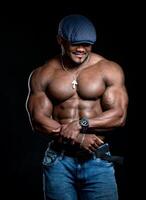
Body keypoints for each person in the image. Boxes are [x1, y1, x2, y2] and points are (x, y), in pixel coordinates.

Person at [26, 14, 128, 200]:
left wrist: (81, 123)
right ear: (60, 40)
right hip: (59, 161)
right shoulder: (43, 74)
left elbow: (119, 116)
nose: (82, 49)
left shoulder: (108, 69)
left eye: (87, 44)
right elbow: (38, 120)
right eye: (75, 44)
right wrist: (79, 139)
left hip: (97, 158)